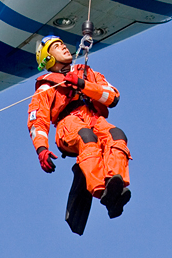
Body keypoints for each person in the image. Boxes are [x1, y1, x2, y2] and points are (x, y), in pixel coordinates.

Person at [29, 35, 132, 219]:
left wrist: (83, 85)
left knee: (117, 135)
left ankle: (115, 188)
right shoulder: (46, 88)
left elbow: (112, 97)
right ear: (48, 58)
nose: (64, 47)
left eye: (62, 44)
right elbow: (38, 120)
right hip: (68, 124)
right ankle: (101, 190)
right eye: (57, 46)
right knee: (86, 137)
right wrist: (42, 149)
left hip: (93, 118)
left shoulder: (86, 73)